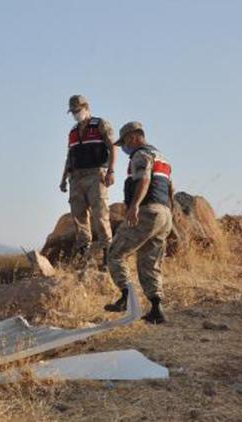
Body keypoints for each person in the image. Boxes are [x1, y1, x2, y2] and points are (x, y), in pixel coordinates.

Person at [104, 122, 174, 324]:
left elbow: (143, 179)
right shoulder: (162, 157)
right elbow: (170, 188)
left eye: (124, 141)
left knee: (115, 253)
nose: (124, 147)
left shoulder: (140, 155)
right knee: (150, 261)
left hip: (147, 211)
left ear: (134, 137)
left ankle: (126, 297)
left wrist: (134, 206)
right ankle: (156, 309)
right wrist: (170, 213)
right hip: (164, 214)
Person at [60, 95, 117, 267]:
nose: (75, 114)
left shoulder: (100, 124)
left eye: (77, 110)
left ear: (86, 108)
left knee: (100, 214)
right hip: (76, 177)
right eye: (73, 112)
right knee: (78, 217)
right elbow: (69, 156)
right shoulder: (73, 132)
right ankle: (84, 255)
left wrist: (111, 171)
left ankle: (108, 256)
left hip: (96, 174)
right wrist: (63, 179)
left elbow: (112, 147)